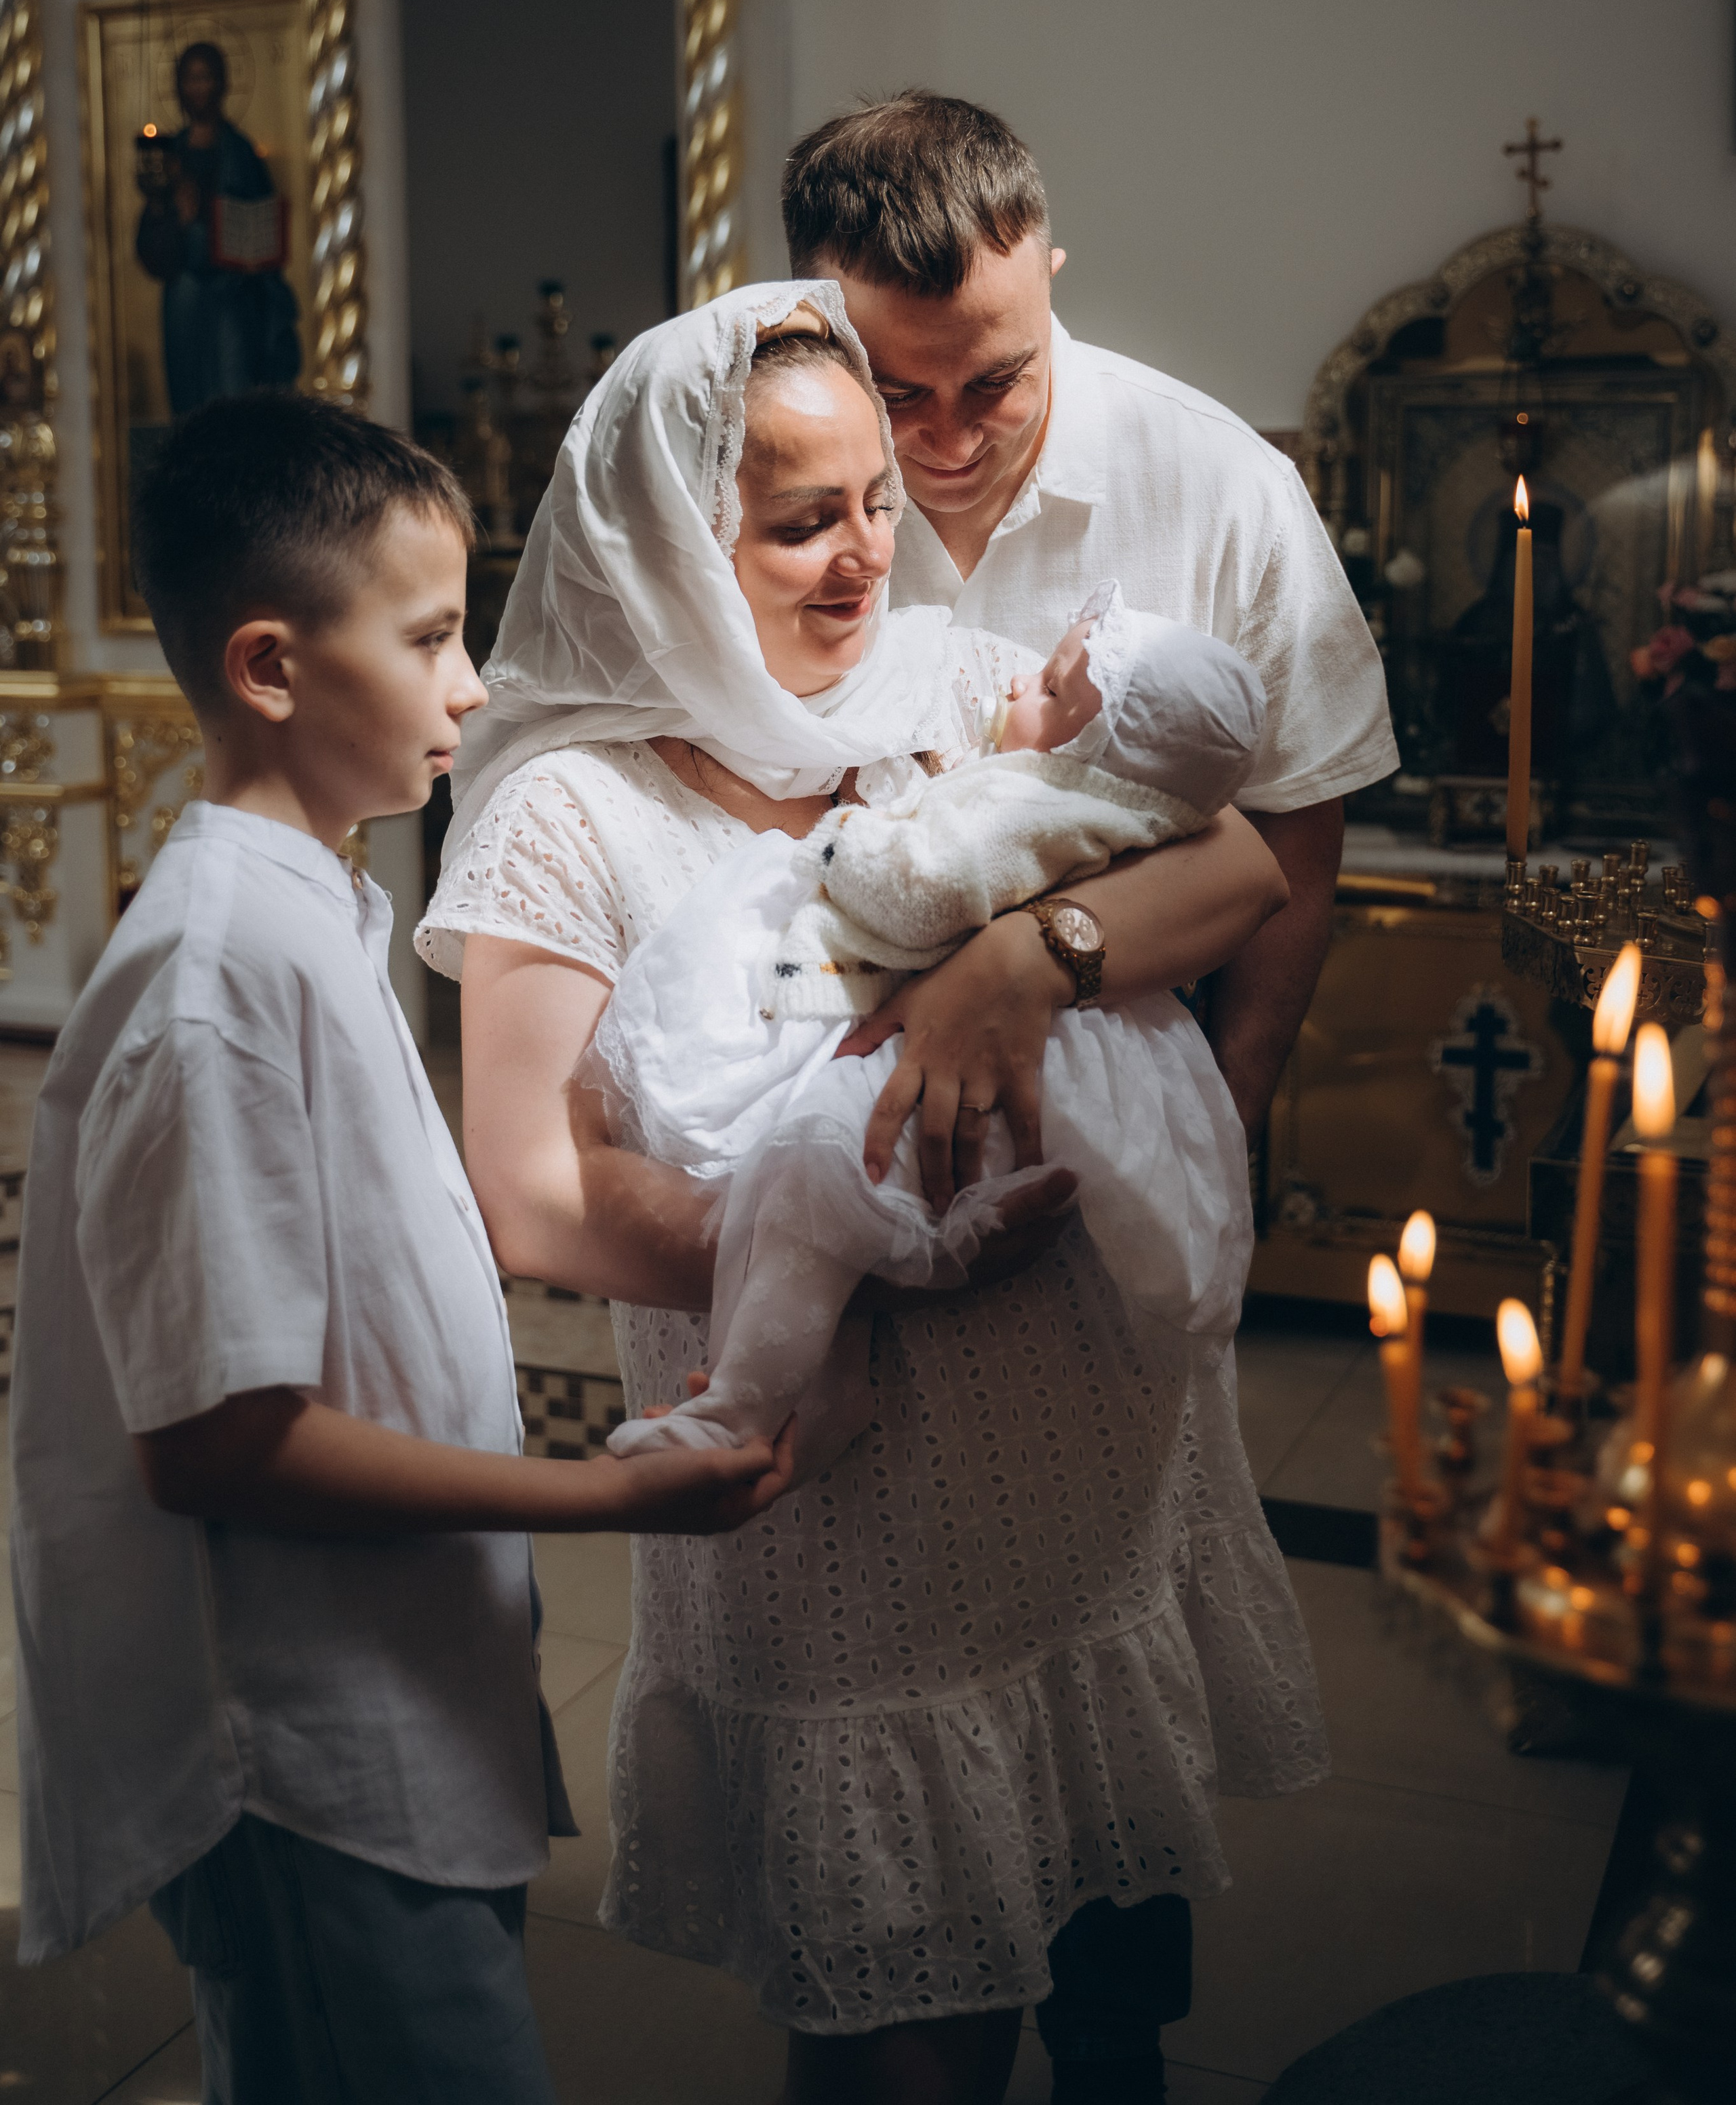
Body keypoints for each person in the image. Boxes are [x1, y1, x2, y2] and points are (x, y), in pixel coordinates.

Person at [423, 285, 1326, 2105]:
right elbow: (526, 1190)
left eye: (871, 505)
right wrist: (847, 1252)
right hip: (846, 1509)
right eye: (794, 519)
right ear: (672, 536)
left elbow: (1230, 864)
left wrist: (1033, 961)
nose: (859, 556)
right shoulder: (564, 810)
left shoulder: (958, 684)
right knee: (904, 2011)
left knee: (1094, 1931)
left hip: (1077, 1445)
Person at [7, 393, 792, 2105]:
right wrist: (612, 1498)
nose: (474, 683)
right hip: (301, 1751)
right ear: (273, 666)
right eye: (433, 636)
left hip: (388, 1703)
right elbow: (221, 1437)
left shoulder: (312, 911)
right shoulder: (217, 977)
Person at [782, 94, 1399, 2097]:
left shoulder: (1212, 483)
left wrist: (1201, 1127)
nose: (944, 442)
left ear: (1052, 257)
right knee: (888, 1698)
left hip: (1123, 1146)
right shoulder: (779, 462)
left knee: (1108, 1650)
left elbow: (1291, 856)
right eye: (899, 392)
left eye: (991, 384)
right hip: (867, 1155)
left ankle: (1115, 2040)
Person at [598, 544, 1266, 1465]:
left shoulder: (1038, 795)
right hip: (1052, 1057)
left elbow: (925, 890)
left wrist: (837, 844)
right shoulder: (1135, 805)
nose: (1024, 678)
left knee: (808, 1172)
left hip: (982, 1048)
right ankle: (824, 1386)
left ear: (1089, 739)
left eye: (1054, 688)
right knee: (835, 1216)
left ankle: (739, 1407)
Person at [136, 41, 300, 415]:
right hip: (186, 295)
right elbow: (152, 243)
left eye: (206, 77)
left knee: (233, 396)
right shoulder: (169, 154)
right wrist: (169, 211)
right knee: (189, 399)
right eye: (191, 78)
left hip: (233, 294)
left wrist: (213, 218)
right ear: (180, 86)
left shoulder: (241, 154)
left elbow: (260, 224)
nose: (198, 87)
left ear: (221, 84)